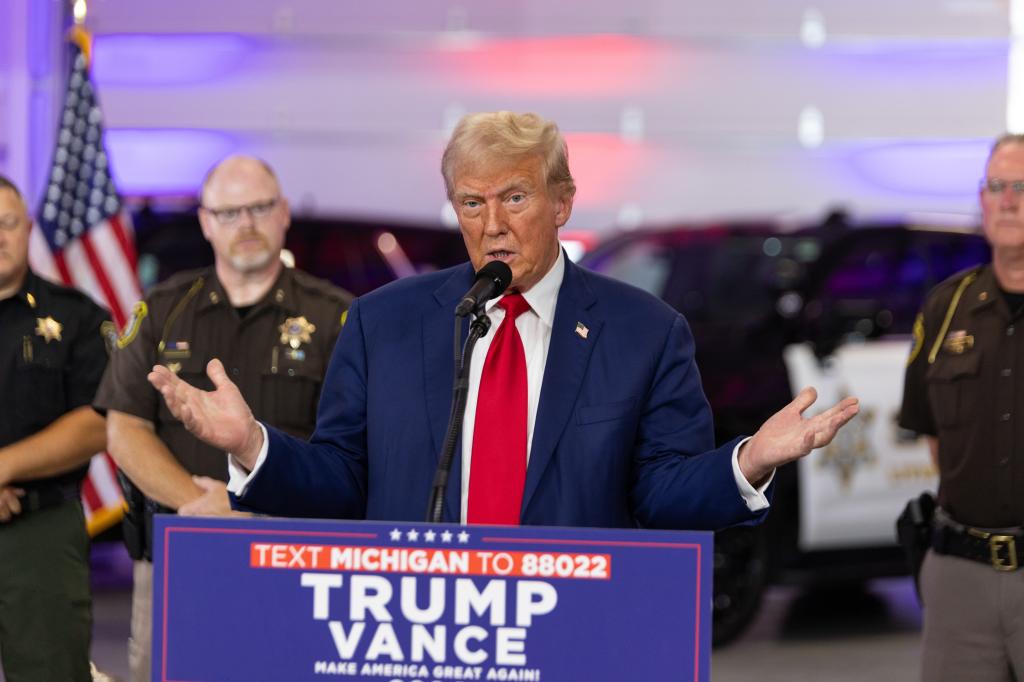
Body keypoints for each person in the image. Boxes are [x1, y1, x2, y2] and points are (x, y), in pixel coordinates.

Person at [151, 111, 858, 532]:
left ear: (563, 202)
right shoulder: (383, 324)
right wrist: (252, 445)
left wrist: (750, 462)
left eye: (514, 198)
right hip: (420, 629)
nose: (491, 226)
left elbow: (661, 492)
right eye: (470, 203)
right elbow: (343, 482)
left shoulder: (645, 333)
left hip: (567, 631)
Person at [93, 156, 352, 682]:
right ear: (206, 221)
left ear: (283, 214)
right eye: (229, 212)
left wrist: (247, 509)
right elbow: (124, 429)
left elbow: (348, 450)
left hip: (292, 559)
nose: (246, 224)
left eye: (258, 208)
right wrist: (200, 504)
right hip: (176, 555)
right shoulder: (161, 310)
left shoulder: (338, 318)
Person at [900, 133, 1024, 681]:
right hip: (960, 579)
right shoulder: (945, 307)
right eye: (996, 186)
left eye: (1021, 186)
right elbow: (935, 438)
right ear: (981, 200)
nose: (1008, 200)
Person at [0, 175, 110, 681]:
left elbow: (97, 424)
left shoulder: (78, 317)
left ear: (28, 229)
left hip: (39, 532)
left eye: (9, 223)